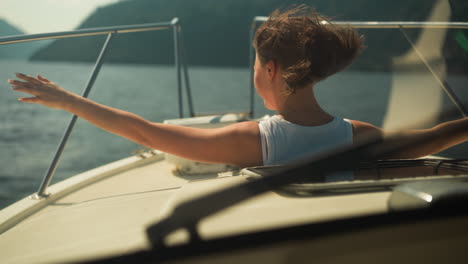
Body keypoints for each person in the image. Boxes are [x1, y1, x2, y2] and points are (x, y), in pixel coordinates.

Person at [8, 6, 468, 168]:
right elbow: (426, 142)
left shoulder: (254, 141)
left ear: (269, 69)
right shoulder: (361, 135)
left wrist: (68, 99)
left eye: (253, 62)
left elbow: (147, 133)